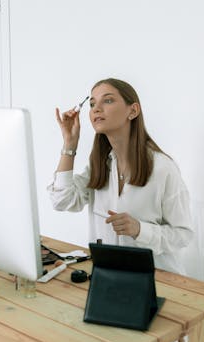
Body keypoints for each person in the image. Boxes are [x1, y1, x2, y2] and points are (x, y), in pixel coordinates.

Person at [47, 78, 195, 275]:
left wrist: (140, 230)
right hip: (109, 278)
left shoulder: (163, 168)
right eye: (92, 104)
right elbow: (62, 201)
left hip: (158, 281)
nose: (96, 109)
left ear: (133, 111)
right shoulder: (99, 166)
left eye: (107, 101)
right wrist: (69, 144)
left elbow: (183, 235)